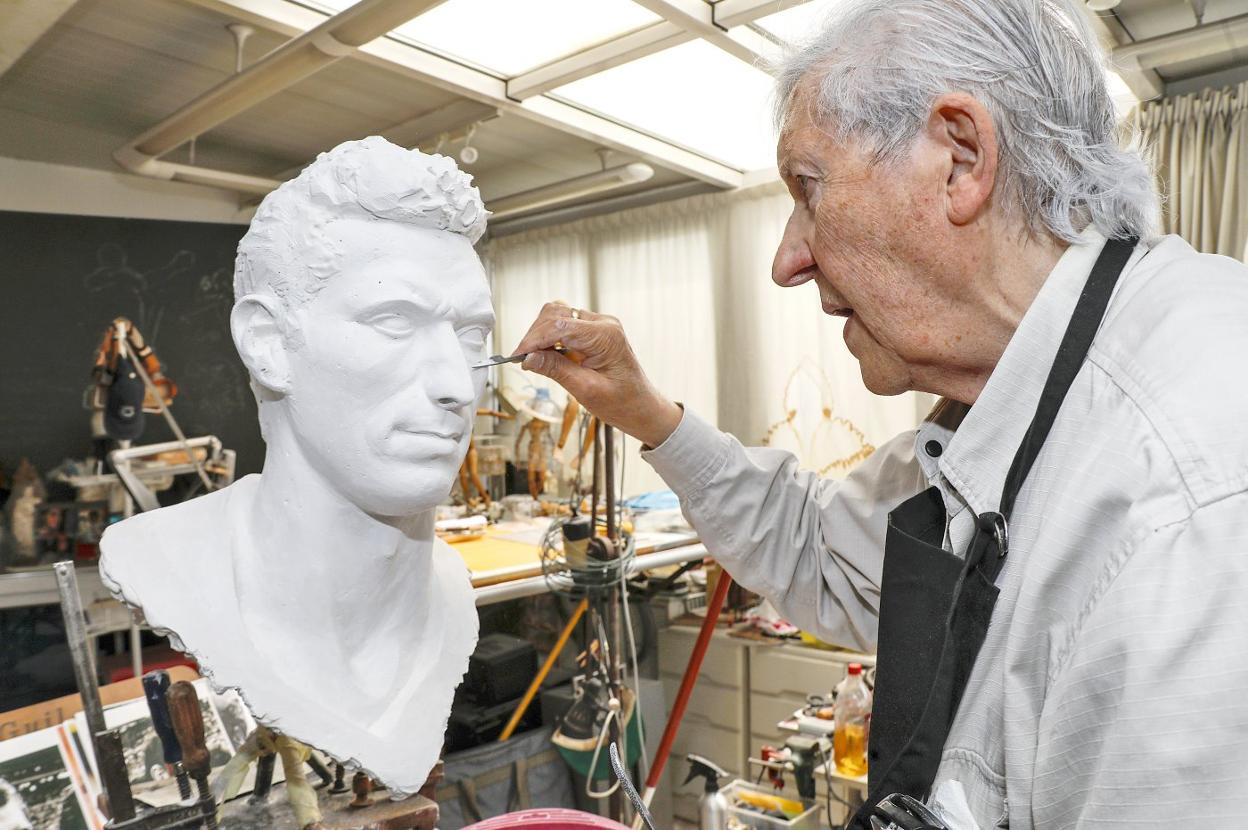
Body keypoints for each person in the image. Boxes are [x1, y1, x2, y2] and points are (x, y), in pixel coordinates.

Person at [512, 0, 1248, 827]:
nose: (787, 261)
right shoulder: (1012, 406)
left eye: (808, 188)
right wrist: (644, 411)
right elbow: (818, 546)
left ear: (960, 159)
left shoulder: (1188, 494)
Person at [100, 137, 490, 796]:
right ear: (269, 344)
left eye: (473, 336)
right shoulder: (157, 560)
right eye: (395, 321)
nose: (458, 383)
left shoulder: (452, 589)